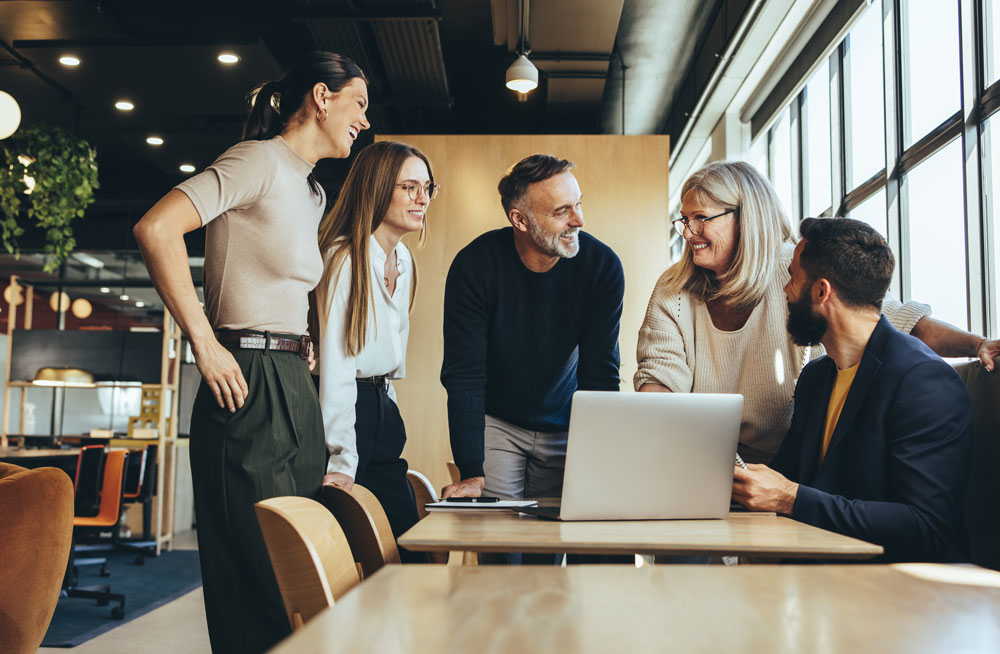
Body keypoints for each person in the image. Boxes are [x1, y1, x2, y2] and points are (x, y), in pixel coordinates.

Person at [133, 52, 370, 654]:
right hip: (246, 380)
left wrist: (301, 340)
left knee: (299, 573)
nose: (364, 121)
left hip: (292, 380)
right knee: (257, 580)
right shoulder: (256, 160)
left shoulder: (312, 192)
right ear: (322, 96)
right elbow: (156, 229)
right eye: (358, 104)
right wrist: (204, 342)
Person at [635, 161, 998, 463]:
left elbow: (890, 321)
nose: (688, 232)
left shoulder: (794, 270)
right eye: (684, 220)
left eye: (700, 218)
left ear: (746, 218)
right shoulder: (675, 289)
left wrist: (977, 344)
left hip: (792, 464)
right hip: (703, 457)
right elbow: (659, 382)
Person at [732, 217, 972, 562]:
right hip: (823, 579)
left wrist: (790, 498)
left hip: (906, 594)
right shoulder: (816, 378)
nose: (784, 289)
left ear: (821, 291)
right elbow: (786, 478)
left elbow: (927, 526)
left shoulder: (924, 381)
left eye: (793, 279)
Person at [440, 154, 625, 507]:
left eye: (578, 205)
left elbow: (600, 371)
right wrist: (471, 472)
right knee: (499, 542)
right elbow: (464, 374)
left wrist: (601, 457)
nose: (579, 220)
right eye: (562, 211)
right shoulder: (474, 267)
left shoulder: (602, 268)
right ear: (520, 220)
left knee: (551, 542)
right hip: (497, 421)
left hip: (569, 420)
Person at [315, 141, 435, 562]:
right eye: (409, 187)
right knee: (349, 552)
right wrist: (343, 457)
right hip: (348, 413)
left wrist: (390, 408)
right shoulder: (344, 258)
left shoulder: (402, 259)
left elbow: (390, 357)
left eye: (427, 187)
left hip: (382, 406)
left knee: (406, 548)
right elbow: (336, 365)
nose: (422, 198)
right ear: (378, 188)